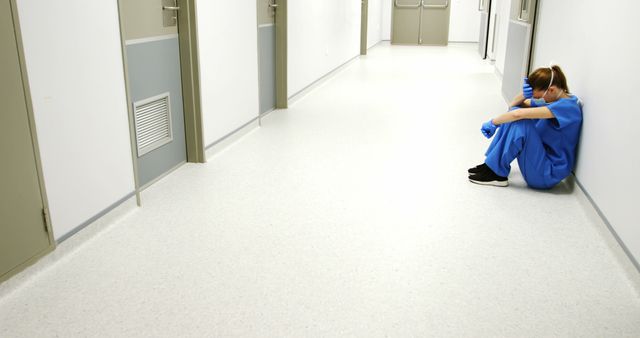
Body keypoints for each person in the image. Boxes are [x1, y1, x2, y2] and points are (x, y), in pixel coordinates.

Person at [468, 65, 583, 189]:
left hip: (548, 173)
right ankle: (491, 165)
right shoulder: (553, 99)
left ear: (551, 90)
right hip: (541, 160)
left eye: (538, 97)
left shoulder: (567, 108)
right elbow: (513, 108)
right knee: (515, 114)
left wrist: (493, 122)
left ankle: (496, 173)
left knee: (521, 121)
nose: (536, 100)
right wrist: (524, 94)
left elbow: (517, 115)